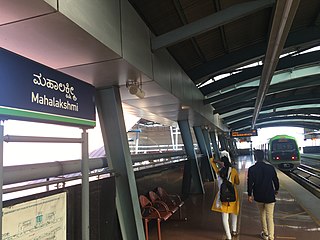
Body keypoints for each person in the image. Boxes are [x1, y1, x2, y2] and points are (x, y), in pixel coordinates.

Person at [247, 149, 279, 240]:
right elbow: (275, 180)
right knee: (270, 217)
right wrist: (276, 189)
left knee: (262, 215)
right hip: (270, 195)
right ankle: (271, 237)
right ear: (264, 156)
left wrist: (249, 195)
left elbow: (250, 183)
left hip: (258, 195)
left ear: (255, 157)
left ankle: (265, 234)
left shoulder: (252, 169)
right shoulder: (270, 168)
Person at [210, 153, 240, 240]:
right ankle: (234, 230)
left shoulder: (219, 172)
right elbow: (237, 182)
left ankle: (229, 237)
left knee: (224, 216)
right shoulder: (233, 171)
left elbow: (211, 162)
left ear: (221, 163)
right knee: (234, 212)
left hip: (222, 196)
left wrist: (216, 160)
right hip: (233, 195)